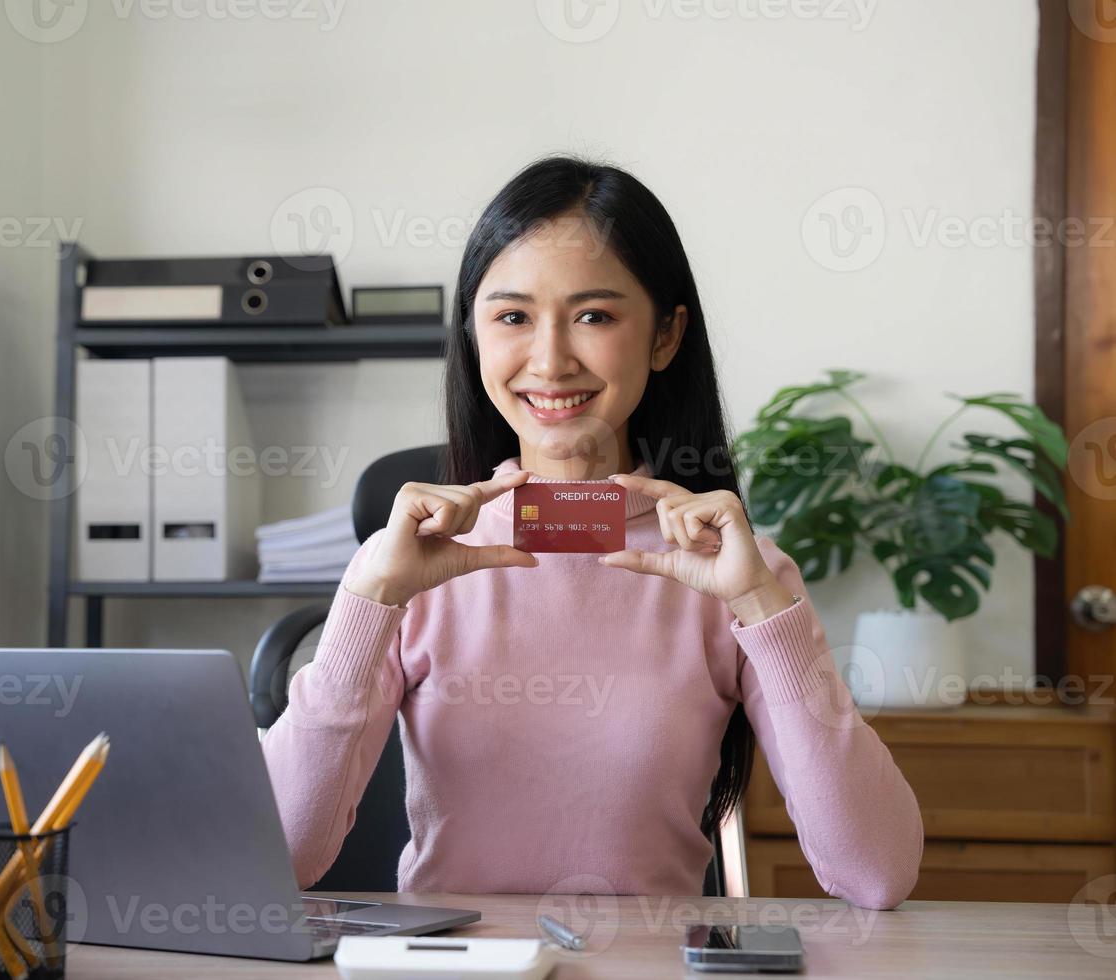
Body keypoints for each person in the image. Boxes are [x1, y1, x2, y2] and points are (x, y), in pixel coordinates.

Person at [260, 156, 923, 910]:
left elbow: (877, 873)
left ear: (666, 336)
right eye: (512, 317)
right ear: (474, 334)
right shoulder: (414, 569)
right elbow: (279, 856)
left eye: (594, 316)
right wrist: (368, 597)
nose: (549, 361)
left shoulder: (735, 572)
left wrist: (763, 610)